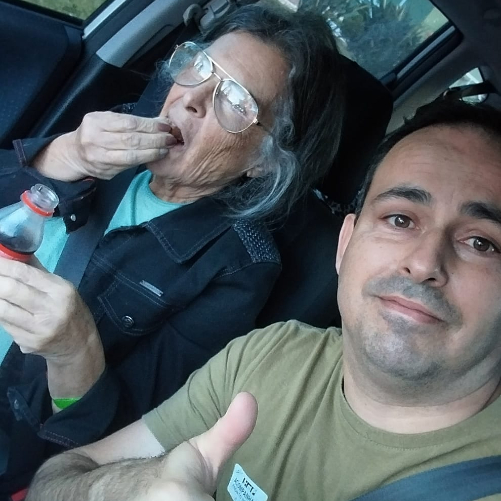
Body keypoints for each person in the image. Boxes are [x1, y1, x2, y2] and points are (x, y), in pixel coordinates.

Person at [25, 98, 501, 501]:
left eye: (481, 242)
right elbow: (58, 479)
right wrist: (142, 483)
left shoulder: (237, 266)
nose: (423, 263)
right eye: (400, 219)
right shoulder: (267, 357)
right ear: (345, 245)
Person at [0, 5, 346, 494]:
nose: (192, 98)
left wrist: (75, 351)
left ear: (264, 161)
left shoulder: (237, 269)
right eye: (201, 66)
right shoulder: (112, 132)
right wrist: (63, 155)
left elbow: (116, 442)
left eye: (235, 100)